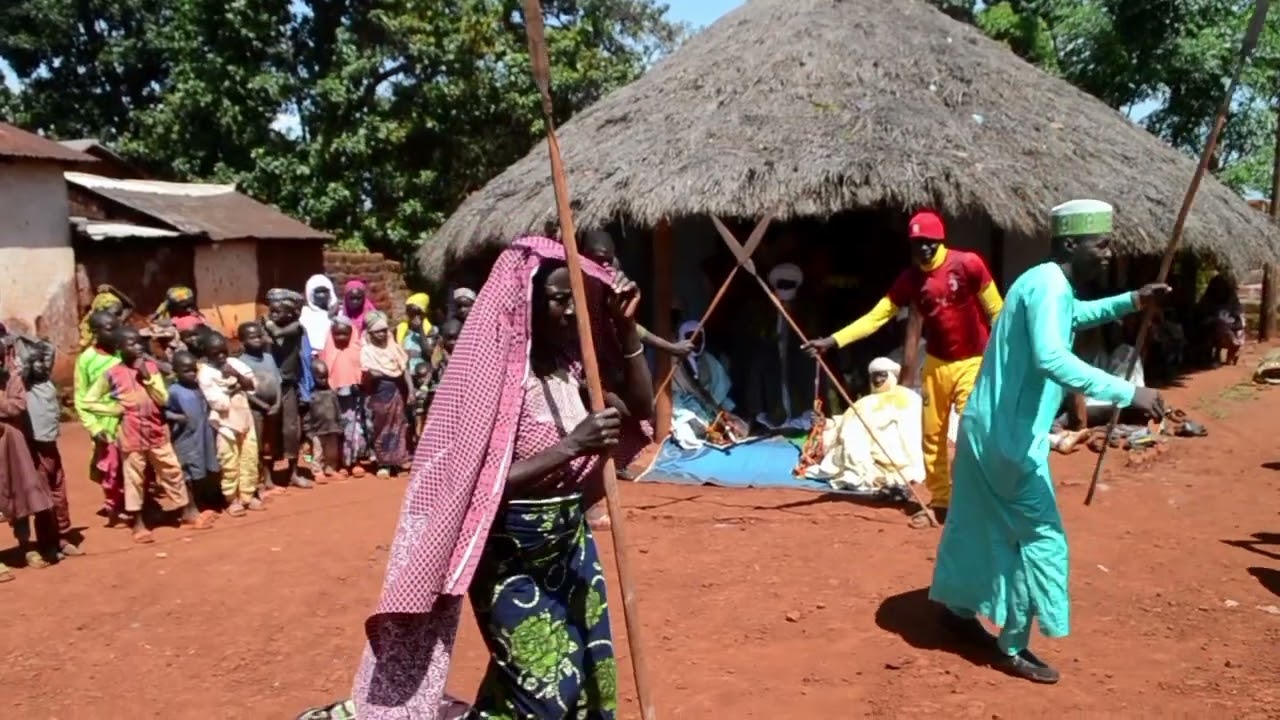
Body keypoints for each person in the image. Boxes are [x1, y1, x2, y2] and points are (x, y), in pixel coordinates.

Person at [346, 235, 651, 719]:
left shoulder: (574, 369)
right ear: (526, 304)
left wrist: (628, 330)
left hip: (570, 545)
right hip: (509, 555)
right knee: (546, 689)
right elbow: (472, 481)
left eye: (577, 298)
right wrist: (572, 445)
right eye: (557, 299)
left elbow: (641, 408)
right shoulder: (494, 380)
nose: (571, 312)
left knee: (592, 675)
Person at [929, 199, 1167, 684]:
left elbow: (1072, 316)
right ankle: (1013, 644)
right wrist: (1129, 390)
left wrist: (1132, 301)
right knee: (1040, 540)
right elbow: (1052, 358)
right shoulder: (1049, 287)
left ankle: (955, 609)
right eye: (1100, 244)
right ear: (1069, 244)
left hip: (982, 427)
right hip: (1009, 442)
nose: (1108, 253)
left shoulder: (1041, 281)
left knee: (973, 525)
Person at [803, 210, 1003, 527]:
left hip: (973, 360)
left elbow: (997, 310)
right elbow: (877, 316)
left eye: (929, 243)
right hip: (937, 364)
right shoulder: (910, 279)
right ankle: (941, 504)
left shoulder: (968, 264)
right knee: (931, 436)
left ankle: (976, 500)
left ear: (940, 241)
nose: (924, 249)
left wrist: (1001, 355)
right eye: (917, 243)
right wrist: (833, 340)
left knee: (971, 429)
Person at [80, 326, 190, 543]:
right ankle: (138, 523)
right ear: (120, 348)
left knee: (171, 469)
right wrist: (115, 409)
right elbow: (88, 400)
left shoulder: (151, 368)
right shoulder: (112, 373)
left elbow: (163, 399)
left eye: (140, 342)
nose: (138, 347)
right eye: (131, 343)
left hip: (156, 429)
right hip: (130, 432)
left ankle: (186, 511)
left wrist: (147, 378)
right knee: (134, 478)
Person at [804, 357, 924, 495]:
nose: (877, 380)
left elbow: (912, 433)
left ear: (891, 375)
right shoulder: (864, 402)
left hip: (894, 458)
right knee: (851, 435)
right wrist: (825, 423)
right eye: (874, 376)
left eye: (882, 375)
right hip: (861, 455)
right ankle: (864, 476)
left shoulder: (907, 398)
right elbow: (844, 422)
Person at [582, 229, 695, 358]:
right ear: (583, 256)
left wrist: (672, 348)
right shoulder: (571, 285)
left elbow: (633, 327)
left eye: (609, 260)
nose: (604, 266)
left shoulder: (613, 283)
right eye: (599, 260)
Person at [17, 337, 81, 556]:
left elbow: (48, 349)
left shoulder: (46, 383)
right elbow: (22, 364)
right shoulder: (25, 385)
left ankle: (63, 536)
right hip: (34, 448)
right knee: (43, 496)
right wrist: (22, 348)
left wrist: (35, 345)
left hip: (50, 445)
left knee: (59, 493)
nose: (43, 365)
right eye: (37, 362)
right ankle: (47, 543)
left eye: (45, 362)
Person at [0, 333, 57, 578]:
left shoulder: (13, 378)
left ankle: (26, 546)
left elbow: (18, 405)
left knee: (20, 494)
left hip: (13, 446)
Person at [199, 332, 264, 516]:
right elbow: (218, 403)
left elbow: (252, 385)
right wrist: (236, 387)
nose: (220, 356)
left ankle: (247, 495)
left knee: (250, 457)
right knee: (229, 460)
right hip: (225, 424)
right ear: (207, 354)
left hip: (245, 417)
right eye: (215, 353)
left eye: (222, 352)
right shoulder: (205, 373)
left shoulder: (234, 364)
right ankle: (231, 498)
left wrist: (236, 376)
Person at [74, 309, 127, 524]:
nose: (116, 333)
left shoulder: (122, 353)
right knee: (111, 467)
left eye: (117, 327)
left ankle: (136, 504)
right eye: (109, 328)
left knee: (133, 465)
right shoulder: (86, 360)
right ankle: (114, 507)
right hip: (105, 423)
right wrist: (95, 428)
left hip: (128, 419)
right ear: (96, 332)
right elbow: (81, 398)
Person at [263, 291, 314, 489]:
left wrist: (267, 326)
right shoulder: (265, 328)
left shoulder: (296, 327)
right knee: (270, 430)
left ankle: (293, 472)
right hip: (269, 386)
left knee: (291, 429)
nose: (273, 314)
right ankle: (268, 476)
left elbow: (276, 333)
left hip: (287, 385)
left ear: (292, 314)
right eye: (272, 310)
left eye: (278, 310)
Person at [165, 351, 220, 530]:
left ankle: (200, 503)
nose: (191, 374)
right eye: (186, 371)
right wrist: (177, 417)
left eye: (193, 370)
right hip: (185, 438)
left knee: (201, 470)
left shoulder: (198, 387)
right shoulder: (173, 391)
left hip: (202, 435)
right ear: (176, 371)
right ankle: (189, 510)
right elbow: (163, 411)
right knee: (187, 472)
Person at [671, 320, 747, 444]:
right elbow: (673, 396)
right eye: (690, 338)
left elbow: (720, 390)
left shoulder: (708, 359)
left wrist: (724, 411)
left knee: (738, 426)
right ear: (681, 338)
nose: (695, 343)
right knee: (688, 433)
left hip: (711, 407)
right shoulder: (672, 363)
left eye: (699, 338)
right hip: (686, 407)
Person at [236, 321, 285, 496]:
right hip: (255, 410)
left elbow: (278, 382)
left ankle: (269, 478)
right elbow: (245, 390)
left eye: (259, 336)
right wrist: (262, 405)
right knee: (256, 444)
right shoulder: (240, 363)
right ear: (242, 341)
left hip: (274, 408)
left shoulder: (269, 358)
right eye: (252, 337)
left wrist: (278, 402)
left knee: (269, 444)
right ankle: (258, 481)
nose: (257, 339)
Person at [360, 311, 410, 478]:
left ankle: (397, 462)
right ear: (370, 333)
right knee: (381, 427)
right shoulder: (367, 350)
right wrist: (382, 373)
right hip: (379, 394)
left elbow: (404, 369)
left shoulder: (393, 347)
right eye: (377, 331)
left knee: (399, 425)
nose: (382, 334)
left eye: (384, 330)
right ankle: (383, 464)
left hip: (397, 391)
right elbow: (370, 373)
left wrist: (411, 390)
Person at [321, 318, 368, 474]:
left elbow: (362, 370)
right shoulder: (327, 351)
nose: (341, 337)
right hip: (333, 398)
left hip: (354, 397)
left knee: (355, 429)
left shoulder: (358, 349)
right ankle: (339, 463)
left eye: (345, 334)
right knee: (337, 430)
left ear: (352, 333)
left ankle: (355, 461)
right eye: (337, 334)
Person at [307, 358, 343, 477]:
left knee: (332, 452)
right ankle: (317, 471)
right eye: (320, 377)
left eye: (325, 377)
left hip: (332, 428)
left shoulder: (332, 394)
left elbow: (337, 410)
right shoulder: (311, 396)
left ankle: (330, 468)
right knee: (318, 452)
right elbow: (308, 415)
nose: (323, 380)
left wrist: (340, 424)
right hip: (317, 430)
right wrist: (308, 430)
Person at [77, 284, 134, 350]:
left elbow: (130, 306)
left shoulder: (118, 321)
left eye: (117, 313)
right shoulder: (88, 329)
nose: (113, 317)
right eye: (110, 313)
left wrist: (113, 290)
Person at [396, 293, 434, 371]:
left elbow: (429, 353)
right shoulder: (402, 328)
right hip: (406, 372)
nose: (414, 316)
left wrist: (420, 329)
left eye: (418, 313)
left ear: (424, 313)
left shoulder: (430, 330)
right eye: (410, 312)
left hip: (423, 371)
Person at [301, 274, 337, 355]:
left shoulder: (337, 312)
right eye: (318, 292)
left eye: (324, 291)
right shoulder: (305, 314)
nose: (322, 295)